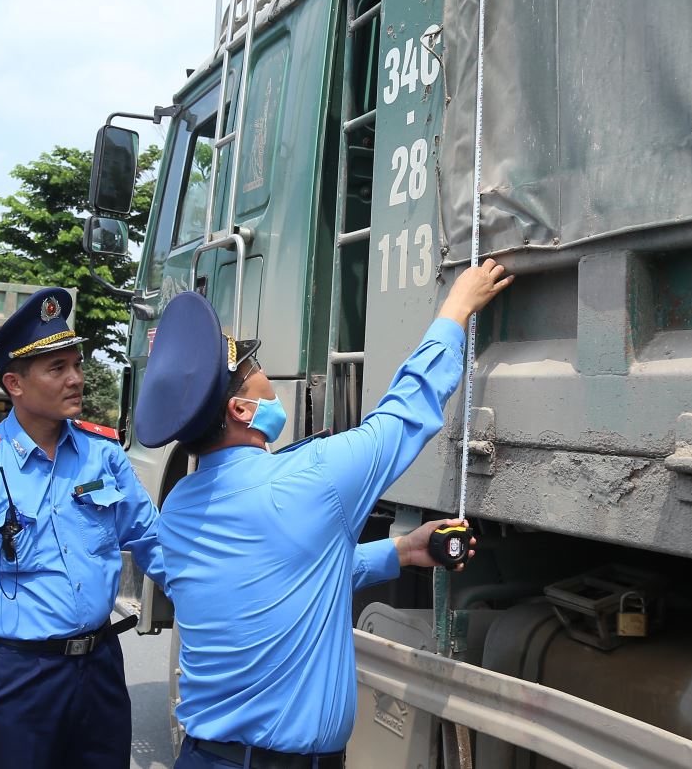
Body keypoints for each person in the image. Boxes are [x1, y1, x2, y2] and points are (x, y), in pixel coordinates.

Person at [135, 258, 513, 768]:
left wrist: (403, 552)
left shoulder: (180, 508)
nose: (264, 374)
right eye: (252, 368)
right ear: (241, 410)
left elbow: (288, 578)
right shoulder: (311, 480)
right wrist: (456, 308)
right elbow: (404, 414)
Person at [0, 287, 165, 769]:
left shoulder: (104, 454)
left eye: (76, 364)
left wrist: (219, 600)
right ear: (14, 383)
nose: (76, 379)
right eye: (57, 369)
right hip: (19, 677)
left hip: (100, 669)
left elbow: (152, 541)